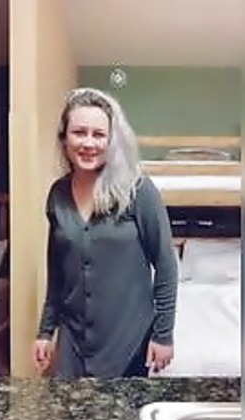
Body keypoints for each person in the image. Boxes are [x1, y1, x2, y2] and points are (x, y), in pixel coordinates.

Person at [32, 88, 178, 379]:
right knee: (69, 408)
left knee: (123, 411)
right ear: (64, 138)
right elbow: (57, 272)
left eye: (99, 134)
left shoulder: (139, 191)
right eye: (79, 132)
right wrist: (45, 332)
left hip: (128, 341)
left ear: (113, 141)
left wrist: (163, 335)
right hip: (73, 342)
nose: (88, 143)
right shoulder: (58, 195)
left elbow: (165, 265)